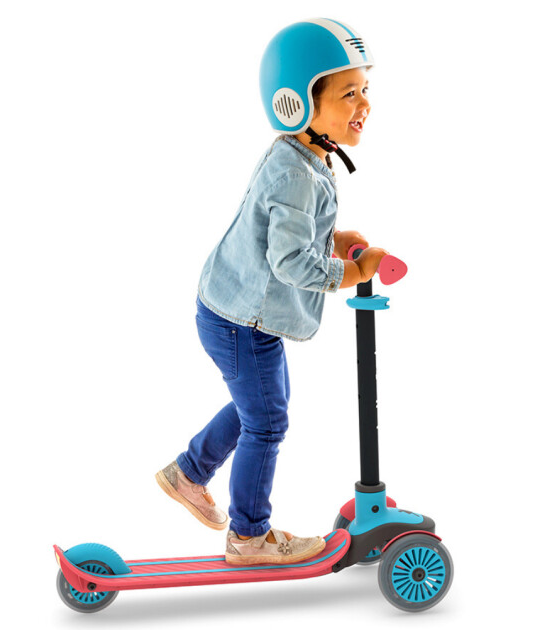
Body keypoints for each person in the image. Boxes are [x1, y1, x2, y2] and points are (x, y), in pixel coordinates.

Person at [156, 18, 388, 565]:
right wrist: (351, 272)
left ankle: (189, 472)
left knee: (260, 408)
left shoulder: (300, 154)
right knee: (267, 422)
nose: (364, 104)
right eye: (348, 93)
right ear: (297, 104)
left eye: (365, 90)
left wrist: (331, 239)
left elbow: (281, 228)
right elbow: (289, 262)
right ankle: (249, 538)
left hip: (235, 311)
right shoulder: (299, 173)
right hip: (243, 321)